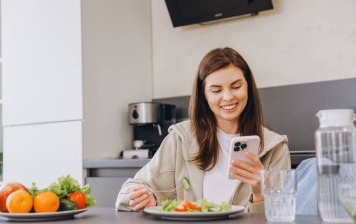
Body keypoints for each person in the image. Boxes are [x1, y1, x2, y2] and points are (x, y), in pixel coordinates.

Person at [115, 47, 290, 213]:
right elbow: (130, 190)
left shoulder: (275, 147)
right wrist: (145, 197)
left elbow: (281, 219)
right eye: (216, 90)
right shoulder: (181, 138)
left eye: (236, 87)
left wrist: (259, 194)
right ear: (204, 96)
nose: (228, 97)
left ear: (249, 88)